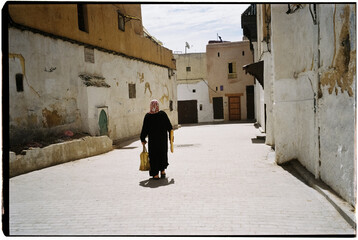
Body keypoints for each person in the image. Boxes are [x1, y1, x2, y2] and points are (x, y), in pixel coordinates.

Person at [140, 100, 173, 180]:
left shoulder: (148, 116)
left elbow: (144, 129)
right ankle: (162, 171)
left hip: (153, 142)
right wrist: (170, 138)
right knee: (162, 154)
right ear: (158, 106)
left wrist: (142, 139)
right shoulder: (163, 114)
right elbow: (170, 127)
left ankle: (155, 174)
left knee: (153, 156)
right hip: (162, 141)